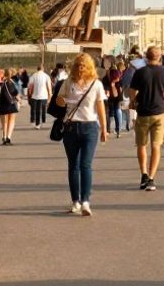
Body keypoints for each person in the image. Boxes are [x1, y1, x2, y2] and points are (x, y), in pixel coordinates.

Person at [57, 53, 107, 215]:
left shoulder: (96, 84)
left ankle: (86, 201)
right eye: (78, 65)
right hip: (71, 127)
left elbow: (100, 108)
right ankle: (75, 201)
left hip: (90, 127)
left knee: (85, 164)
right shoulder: (68, 82)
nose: (80, 68)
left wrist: (104, 129)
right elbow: (58, 100)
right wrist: (62, 101)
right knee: (73, 165)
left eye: (83, 66)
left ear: (90, 68)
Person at [126, 46, 164, 191]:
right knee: (156, 146)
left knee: (141, 145)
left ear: (146, 57)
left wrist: (134, 101)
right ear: (159, 57)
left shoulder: (140, 72)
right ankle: (151, 178)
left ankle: (143, 174)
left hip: (143, 112)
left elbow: (131, 91)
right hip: (159, 113)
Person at [27, 65, 52, 130]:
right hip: (44, 96)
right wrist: (50, 96)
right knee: (43, 108)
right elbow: (49, 87)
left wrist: (30, 94)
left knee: (37, 110)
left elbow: (30, 87)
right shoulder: (46, 76)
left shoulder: (33, 76)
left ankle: (37, 124)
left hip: (35, 96)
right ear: (43, 69)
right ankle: (43, 120)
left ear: (37, 69)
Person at [106, 60, 125, 137]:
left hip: (109, 95)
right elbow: (121, 85)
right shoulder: (119, 74)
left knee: (109, 112)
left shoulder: (106, 75)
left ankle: (108, 129)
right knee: (118, 110)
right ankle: (118, 130)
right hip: (118, 95)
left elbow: (105, 86)